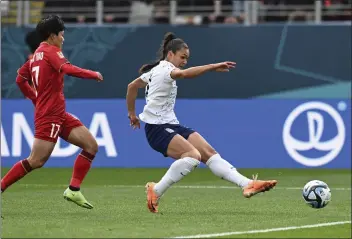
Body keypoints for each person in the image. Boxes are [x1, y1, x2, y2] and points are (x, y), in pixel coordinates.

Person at [126, 32, 277, 213]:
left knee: (209, 153)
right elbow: (183, 75)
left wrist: (132, 114)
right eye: (182, 57)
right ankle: (155, 190)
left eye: (187, 58)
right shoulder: (165, 69)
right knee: (192, 156)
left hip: (170, 124)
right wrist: (212, 66)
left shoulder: (155, 71)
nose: (184, 61)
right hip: (157, 129)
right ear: (170, 54)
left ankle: (248, 184)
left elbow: (132, 86)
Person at [1, 15, 103, 210]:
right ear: (51, 35)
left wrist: (35, 98)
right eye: (61, 35)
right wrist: (93, 74)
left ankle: (73, 189)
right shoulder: (51, 52)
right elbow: (68, 68)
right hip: (49, 116)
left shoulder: (36, 55)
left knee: (91, 146)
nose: (63, 39)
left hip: (58, 113)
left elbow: (20, 79)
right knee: (36, 161)